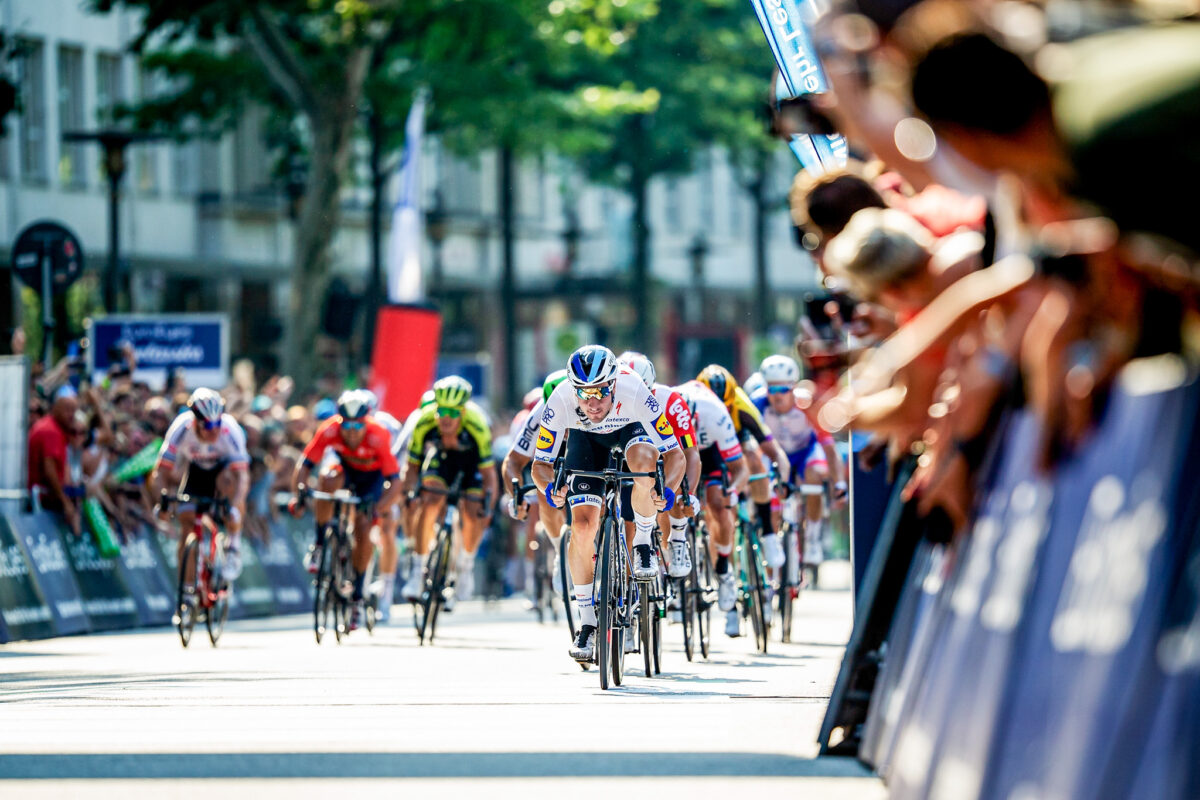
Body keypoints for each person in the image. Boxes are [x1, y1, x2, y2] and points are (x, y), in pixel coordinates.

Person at [531, 345, 685, 663]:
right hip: (586, 441)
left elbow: (675, 456)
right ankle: (587, 622)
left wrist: (667, 490)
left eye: (600, 392)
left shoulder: (636, 391)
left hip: (631, 431)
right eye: (584, 393)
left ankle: (642, 539)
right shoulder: (559, 399)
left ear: (613, 383)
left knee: (644, 467)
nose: (592, 402)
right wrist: (549, 491)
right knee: (583, 526)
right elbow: (540, 466)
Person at [290, 390, 403, 630]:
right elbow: (305, 465)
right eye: (347, 425)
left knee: (363, 528)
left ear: (366, 422)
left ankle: (357, 598)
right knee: (326, 480)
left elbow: (395, 481)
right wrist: (299, 494)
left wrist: (380, 508)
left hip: (371, 480)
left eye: (357, 426)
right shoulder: (330, 429)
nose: (351, 432)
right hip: (345, 470)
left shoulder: (377, 435)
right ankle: (320, 545)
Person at [400, 376, 498, 609]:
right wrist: (409, 494)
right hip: (441, 461)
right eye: (442, 411)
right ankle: (417, 573)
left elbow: (489, 477)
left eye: (453, 413)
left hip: (471, 465)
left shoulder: (477, 425)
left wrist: (488, 507)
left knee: (472, 514)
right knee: (430, 501)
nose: (446, 418)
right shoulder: (424, 421)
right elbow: (412, 467)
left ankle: (465, 565)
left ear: (463, 412)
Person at [151, 388, 251, 590]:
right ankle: (187, 590)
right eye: (208, 425)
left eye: (217, 423)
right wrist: (162, 501)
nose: (214, 430)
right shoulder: (181, 428)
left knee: (229, 483)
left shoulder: (230, 430)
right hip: (195, 472)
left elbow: (242, 477)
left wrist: (235, 505)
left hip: (223, 473)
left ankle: (233, 545)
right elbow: (159, 472)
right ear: (195, 422)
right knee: (186, 528)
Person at [754, 355, 846, 570]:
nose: (777, 396)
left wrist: (839, 484)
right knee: (772, 508)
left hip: (805, 453)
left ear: (793, 388)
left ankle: (812, 539)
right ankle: (773, 570)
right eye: (771, 390)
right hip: (775, 455)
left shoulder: (807, 404)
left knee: (814, 473)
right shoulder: (757, 403)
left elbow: (830, 449)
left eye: (783, 390)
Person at [675, 378, 751, 637]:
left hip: (710, 454)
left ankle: (724, 571)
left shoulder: (715, 415)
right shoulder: (665, 410)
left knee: (718, 502)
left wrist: (733, 491)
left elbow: (741, 469)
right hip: (678, 454)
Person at [619, 351, 701, 579]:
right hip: (628, 455)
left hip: (664, 456)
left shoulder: (671, 401)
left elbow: (690, 453)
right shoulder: (609, 402)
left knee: (672, 488)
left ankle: (677, 538)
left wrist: (689, 494)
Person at [695, 364, 789, 562]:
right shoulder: (693, 403)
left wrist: (784, 480)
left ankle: (769, 534)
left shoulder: (742, 405)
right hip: (708, 443)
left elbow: (775, 453)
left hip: (736, 439)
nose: (721, 411)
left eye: (726, 407)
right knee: (721, 510)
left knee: (753, 457)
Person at [502, 370, 571, 603]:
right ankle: (559, 552)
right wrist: (517, 496)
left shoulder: (592, 404)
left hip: (585, 446)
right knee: (545, 495)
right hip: (547, 456)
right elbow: (513, 461)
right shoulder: (537, 414)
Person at [360, 389, 404, 623]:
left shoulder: (388, 426)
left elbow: (399, 466)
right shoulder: (345, 427)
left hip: (386, 476)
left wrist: (391, 498)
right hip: (359, 476)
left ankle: (385, 596)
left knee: (387, 530)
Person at [28, 389, 81, 534]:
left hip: (47, 499)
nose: (71, 415)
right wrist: (65, 502)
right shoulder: (50, 430)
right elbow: (49, 471)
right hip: (42, 502)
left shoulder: (55, 429)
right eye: (67, 410)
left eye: (73, 410)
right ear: (54, 408)